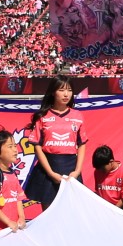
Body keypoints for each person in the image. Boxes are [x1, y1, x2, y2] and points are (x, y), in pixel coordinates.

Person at [23, 77, 86, 210]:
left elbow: (81, 144)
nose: (66, 94)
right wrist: (51, 173)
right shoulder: (43, 116)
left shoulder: (77, 115)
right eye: (61, 90)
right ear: (53, 92)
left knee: (71, 211)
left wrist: (77, 171)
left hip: (70, 169)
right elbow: (37, 147)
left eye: (69, 90)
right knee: (49, 213)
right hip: (48, 168)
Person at [0, 130, 33, 234]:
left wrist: (21, 217)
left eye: (15, 146)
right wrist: (8, 222)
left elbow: (18, 198)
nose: (15, 150)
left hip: (13, 228)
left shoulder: (13, 174)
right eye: (10, 147)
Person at [93, 145, 123, 212]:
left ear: (111, 162)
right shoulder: (97, 172)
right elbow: (98, 192)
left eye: (102, 168)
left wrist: (113, 211)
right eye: (98, 168)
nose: (100, 170)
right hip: (106, 202)